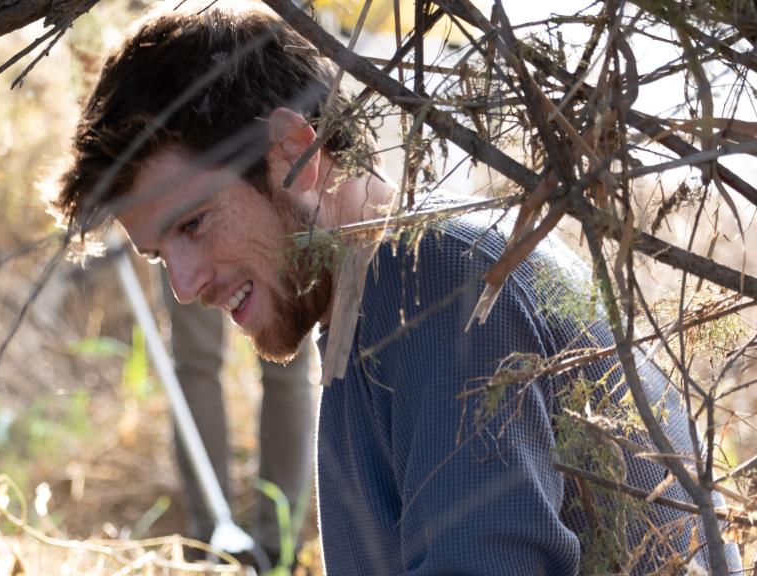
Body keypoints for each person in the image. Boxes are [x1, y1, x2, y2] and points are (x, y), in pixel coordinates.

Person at [54, 4, 741, 574]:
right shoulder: (379, 298)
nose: (183, 284)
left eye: (194, 224)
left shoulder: (443, 286)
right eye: (157, 255)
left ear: (294, 152)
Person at [162, 274, 312, 566]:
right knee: (287, 368)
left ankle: (213, 541)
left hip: (180, 231)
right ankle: (271, 545)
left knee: (196, 368)